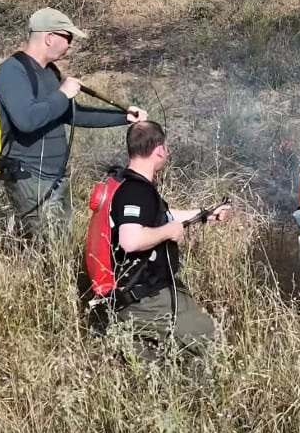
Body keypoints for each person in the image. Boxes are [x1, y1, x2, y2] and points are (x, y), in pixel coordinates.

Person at [0, 8, 147, 242]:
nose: (70, 45)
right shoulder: (12, 72)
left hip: (56, 176)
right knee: (45, 248)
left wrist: (123, 117)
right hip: (29, 177)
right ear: (49, 37)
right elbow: (27, 120)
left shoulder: (49, 73)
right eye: (68, 37)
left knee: (62, 242)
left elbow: (73, 114)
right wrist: (62, 93)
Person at [94, 121, 232, 368]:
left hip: (144, 290)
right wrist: (168, 232)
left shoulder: (129, 183)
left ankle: (137, 349)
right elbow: (131, 240)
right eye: (166, 147)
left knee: (159, 358)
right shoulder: (136, 192)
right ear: (159, 150)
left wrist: (204, 214)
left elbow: (161, 217)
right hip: (142, 297)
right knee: (210, 339)